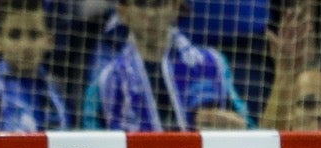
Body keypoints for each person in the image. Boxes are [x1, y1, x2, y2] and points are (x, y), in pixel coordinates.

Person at [81, 0, 250, 132]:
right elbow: (93, 147)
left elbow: (250, 127)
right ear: (123, 12)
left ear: (175, 7)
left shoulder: (212, 64)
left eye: (159, 3)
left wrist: (235, 125)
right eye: (141, 4)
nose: (151, 14)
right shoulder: (106, 81)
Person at [0, 0, 72, 132]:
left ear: (49, 41)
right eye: (14, 35)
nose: (25, 46)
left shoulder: (60, 90)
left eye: (34, 35)